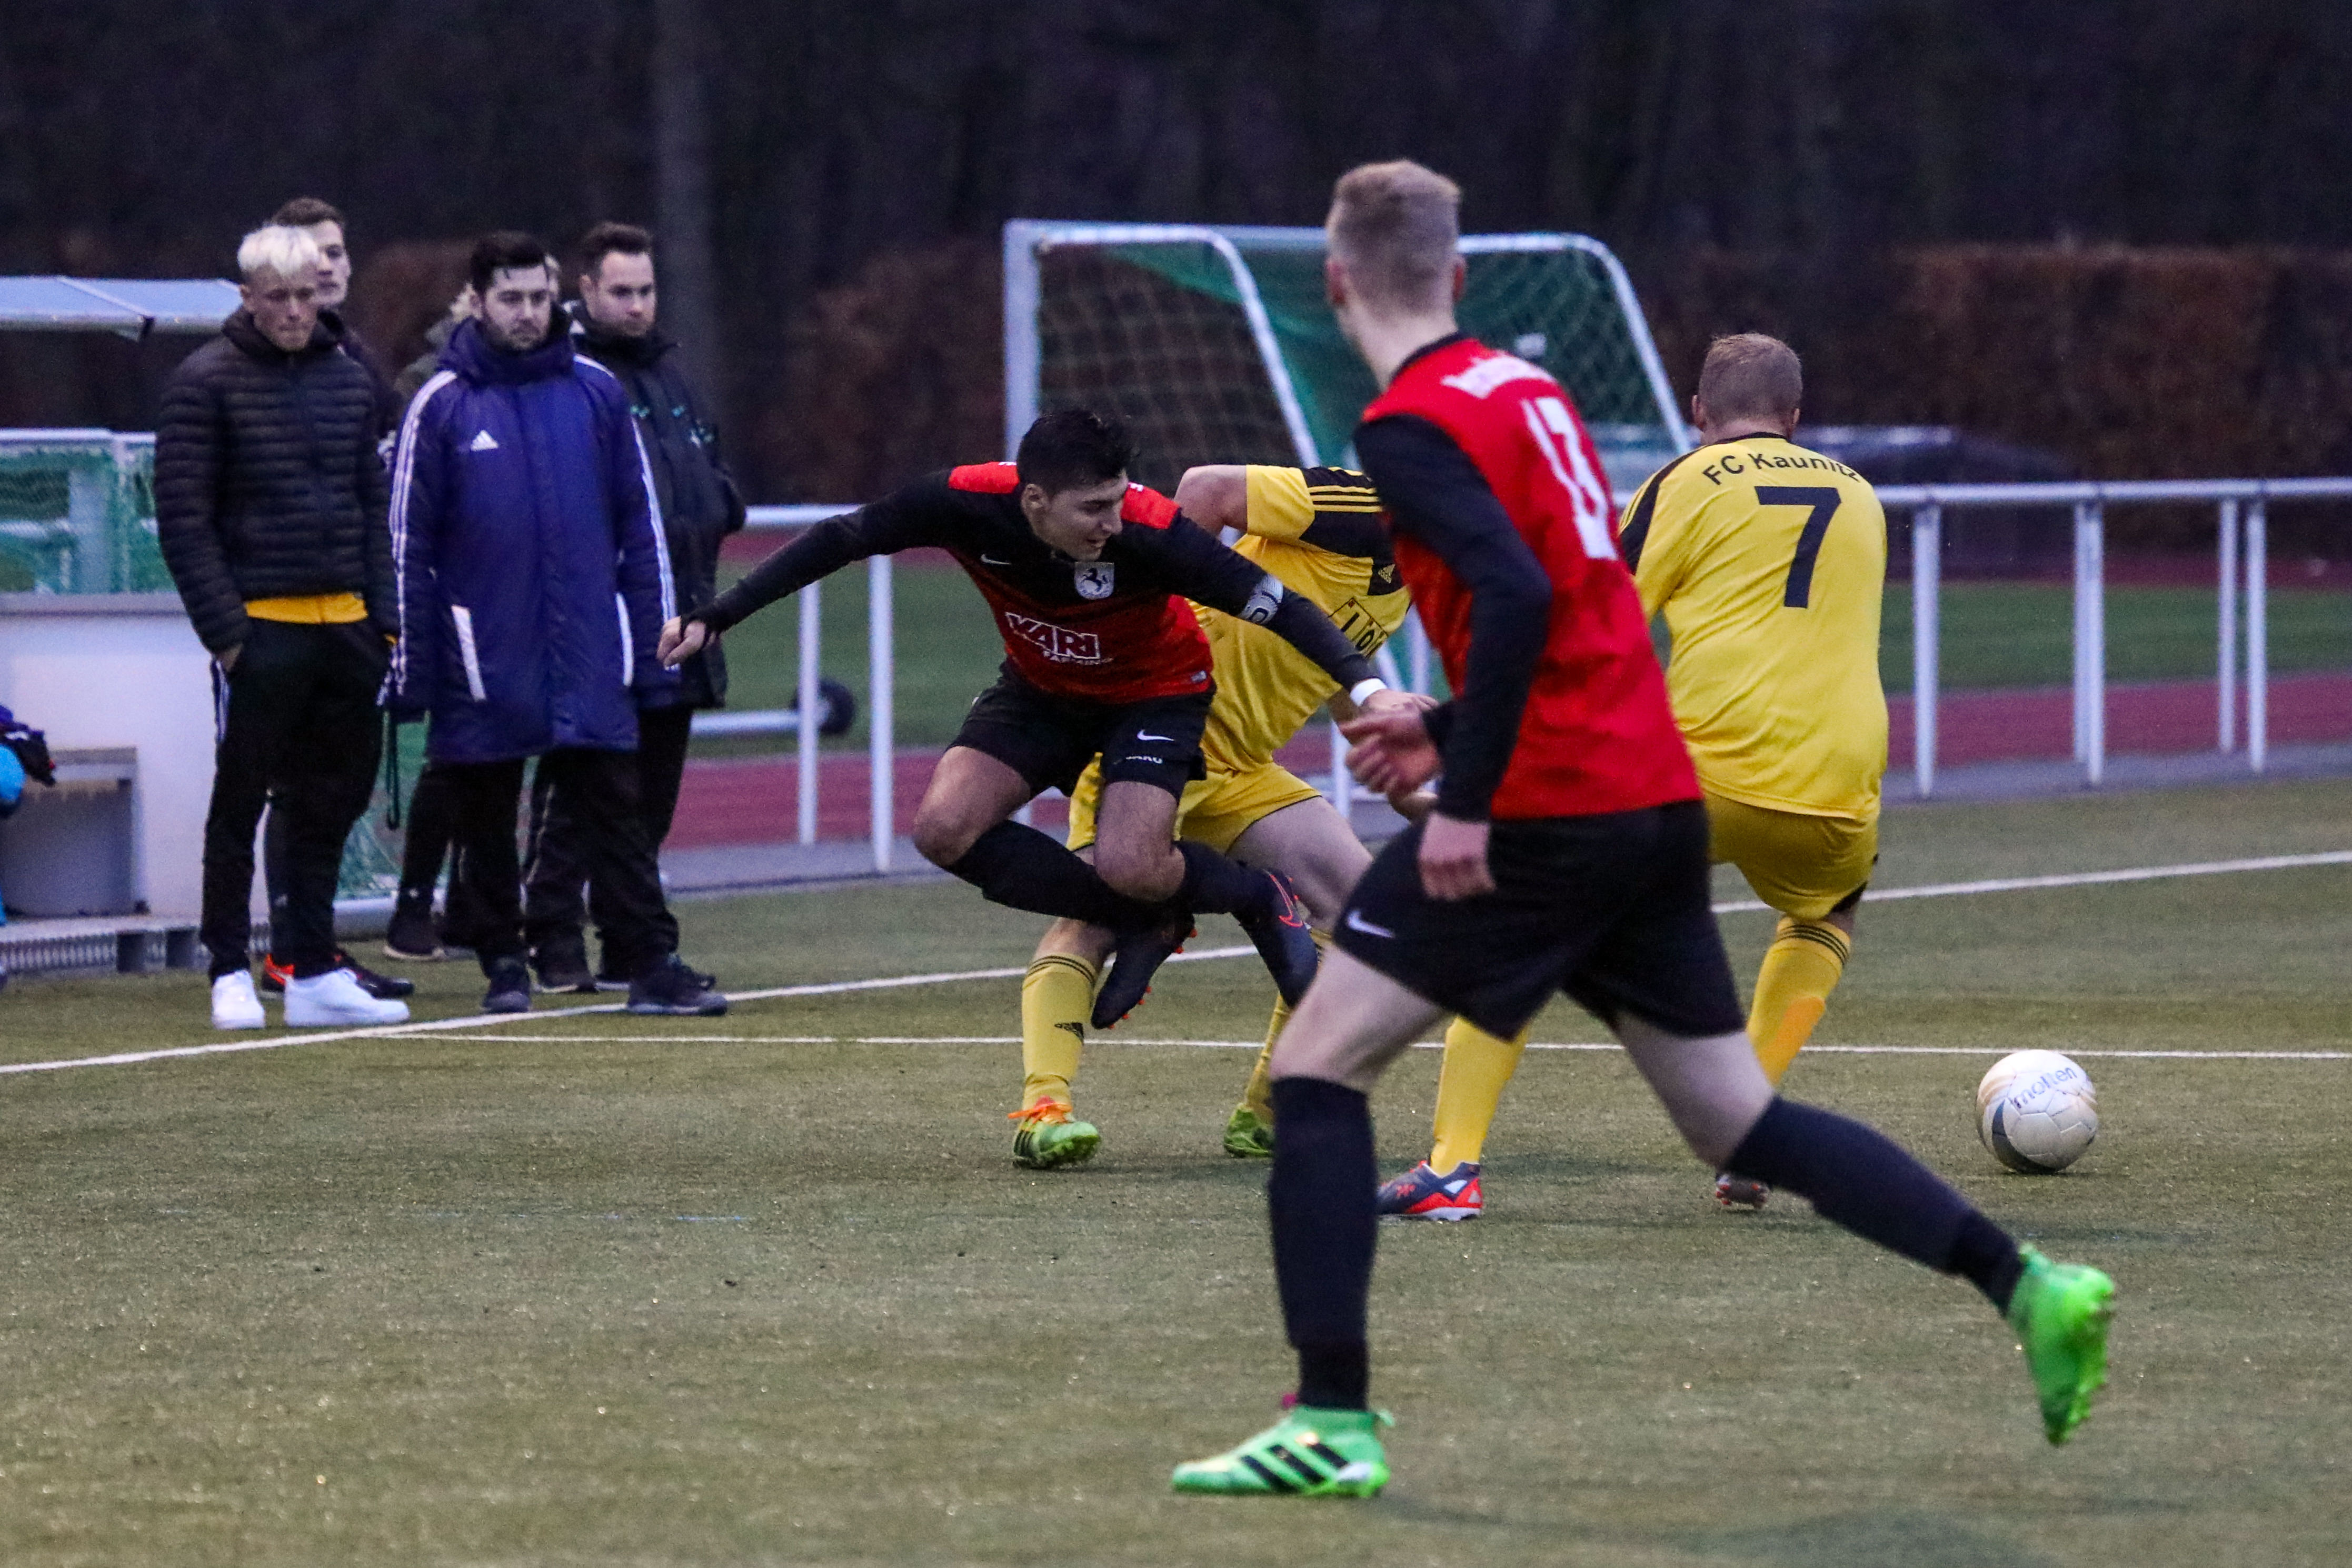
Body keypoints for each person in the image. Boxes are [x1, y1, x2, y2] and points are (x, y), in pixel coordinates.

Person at [1171, 161, 2114, 1499]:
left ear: (1333, 285)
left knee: (1319, 1069)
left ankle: (1330, 1420)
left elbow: (1511, 593)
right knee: (1733, 1118)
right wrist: (1450, 727)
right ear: (1458, 278)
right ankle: (2028, 1286)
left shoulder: (1405, 428)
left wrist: (1470, 790)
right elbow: (1575, 600)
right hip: (1651, 794)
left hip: (1555, 802)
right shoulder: (1527, 391)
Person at [660, 410, 1418, 1157]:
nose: (1113, 523)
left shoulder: (1150, 531)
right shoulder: (968, 499)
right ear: (1035, 501)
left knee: (1346, 909)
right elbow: (846, 535)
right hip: (1046, 695)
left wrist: (1381, 706)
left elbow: (1288, 615)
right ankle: (1058, 1086)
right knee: (949, 832)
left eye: (1118, 501)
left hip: (1168, 710)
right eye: (1093, 508)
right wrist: (720, 614)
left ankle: (1275, 1106)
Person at [1377, 332, 1889, 1219]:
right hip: (1842, 777)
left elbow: (1589, 625)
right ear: (1796, 417)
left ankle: (1453, 1167)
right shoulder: (1863, 495)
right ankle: (1751, 1137)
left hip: (1698, 772)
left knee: (1520, 922)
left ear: (1698, 412)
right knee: (1826, 912)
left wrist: (1461, 735)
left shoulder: (1684, 483)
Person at [1013, 461, 1421, 1167]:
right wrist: (1152, 622)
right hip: (1157, 735)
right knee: (1095, 916)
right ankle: (1043, 1111)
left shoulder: (1414, 578)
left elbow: (1342, 678)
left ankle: (1271, 1112)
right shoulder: (1366, 503)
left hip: (1240, 769)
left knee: (1361, 911)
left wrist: (1433, 803)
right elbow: (1207, 490)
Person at [389, 231, 724, 1018]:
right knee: (486, 811)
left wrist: (656, 644)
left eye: (539, 298)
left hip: (588, 647)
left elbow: (640, 525)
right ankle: (505, 962)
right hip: (485, 651)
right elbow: (407, 543)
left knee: (617, 808)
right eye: (511, 299)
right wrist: (414, 662)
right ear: (478, 302)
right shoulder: (441, 403)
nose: (528, 313)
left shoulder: (596, 393)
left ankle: (650, 961)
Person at [155, 225, 410, 1031]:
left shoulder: (350, 380)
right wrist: (229, 638)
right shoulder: (204, 382)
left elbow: (373, 505)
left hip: (350, 629)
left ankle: (312, 967)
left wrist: (385, 622)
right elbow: (184, 521)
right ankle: (230, 966)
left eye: (307, 295)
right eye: (279, 298)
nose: (296, 311)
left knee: (334, 800)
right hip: (263, 630)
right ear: (248, 298)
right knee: (241, 805)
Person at [522, 222, 746, 993]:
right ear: (586, 290)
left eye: (646, 290)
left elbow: (707, 465)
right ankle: (550, 934)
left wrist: (720, 502)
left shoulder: (671, 375)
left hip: (684, 611)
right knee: (582, 793)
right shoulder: (572, 378)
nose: (638, 305)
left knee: (651, 799)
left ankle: (626, 940)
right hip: (606, 622)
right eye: (621, 291)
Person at [247, 195, 411, 1003]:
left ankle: (314, 949)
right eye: (315, 254)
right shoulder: (252, 371)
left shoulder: (354, 360)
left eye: (338, 253)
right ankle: (286, 952)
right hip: (276, 612)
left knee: (339, 785)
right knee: (289, 785)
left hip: (351, 609)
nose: (329, 267)